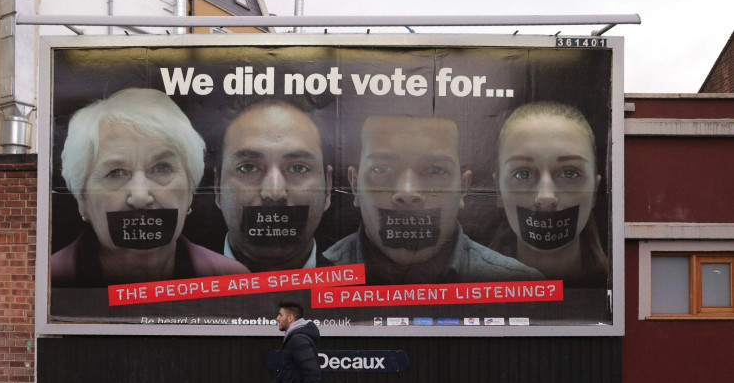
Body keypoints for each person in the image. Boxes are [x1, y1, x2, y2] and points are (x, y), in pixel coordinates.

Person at [51, 88, 248, 287]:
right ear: (82, 200)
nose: (140, 196)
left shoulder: (232, 279)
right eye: (115, 173)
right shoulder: (48, 280)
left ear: (190, 190)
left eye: (161, 168)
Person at [324, 115, 542, 284]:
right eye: (382, 168)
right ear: (354, 186)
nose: (408, 193)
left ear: (463, 189)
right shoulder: (316, 278)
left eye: (435, 170)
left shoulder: (520, 282)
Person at [490, 101, 608, 287]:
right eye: (523, 174)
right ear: (498, 190)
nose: (546, 197)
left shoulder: (620, 290)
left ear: (594, 191)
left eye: (570, 173)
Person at [216, 100, 333, 272]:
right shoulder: (176, 293)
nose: (274, 193)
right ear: (217, 188)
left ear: (328, 189)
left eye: (298, 168)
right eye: (248, 168)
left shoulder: (360, 296)